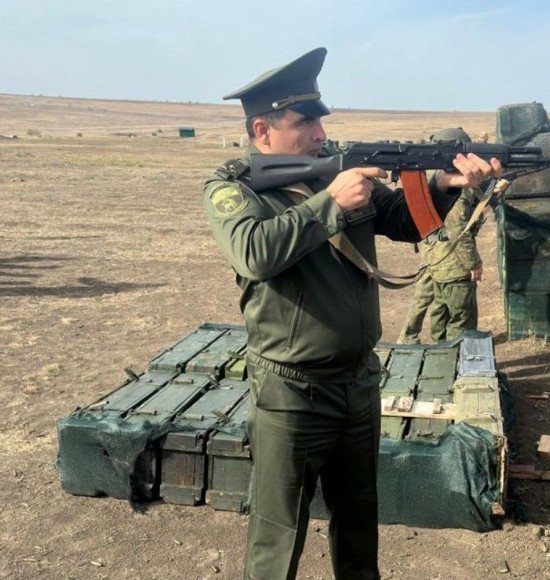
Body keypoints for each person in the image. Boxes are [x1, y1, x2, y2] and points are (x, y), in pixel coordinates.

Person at [202, 48, 501, 580]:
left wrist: (443, 186)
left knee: (359, 528)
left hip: (358, 385)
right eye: (304, 121)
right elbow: (254, 253)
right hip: (291, 392)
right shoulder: (235, 189)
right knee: (277, 541)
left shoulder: (337, 174)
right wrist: (329, 205)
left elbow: (405, 222)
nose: (319, 132)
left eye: (320, 119)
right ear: (262, 130)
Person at [398, 128, 485, 344]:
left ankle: (428, 345)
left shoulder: (431, 176)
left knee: (437, 306)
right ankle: (453, 355)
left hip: (433, 253)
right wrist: (473, 263)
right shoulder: (455, 185)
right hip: (450, 258)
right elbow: (457, 227)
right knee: (460, 315)